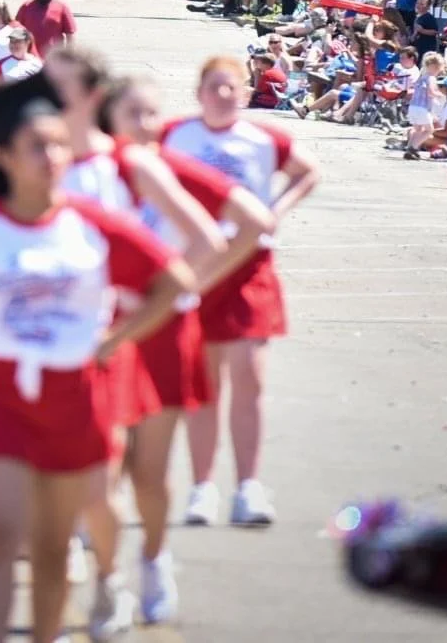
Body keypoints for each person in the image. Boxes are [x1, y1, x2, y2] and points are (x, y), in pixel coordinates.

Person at [0, 74, 194, 643]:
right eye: (37, 145)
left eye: (59, 143)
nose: (53, 156)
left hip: (75, 396)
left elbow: (172, 279)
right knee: (1, 536)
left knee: (53, 551)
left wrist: (112, 341)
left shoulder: (92, 224)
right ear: (3, 155)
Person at [100, 76, 274, 623]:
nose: (148, 125)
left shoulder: (176, 174)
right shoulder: (90, 174)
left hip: (163, 332)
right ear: (110, 119)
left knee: (148, 470)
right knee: (100, 462)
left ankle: (153, 559)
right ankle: (107, 579)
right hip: (98, 334)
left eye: (154, 113)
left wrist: (189, 285)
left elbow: (252, 223)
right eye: (134, 113)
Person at [163, 55, 322, 529]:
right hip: (198, 266)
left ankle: (249, 486)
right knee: (204, 384)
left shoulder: (262, 139)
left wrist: (274, 210)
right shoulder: (175, 135)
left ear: (246, 94)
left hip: (249, 267)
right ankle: (202, 487)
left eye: (231, 87)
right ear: (198, 92)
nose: (222, 95)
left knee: (249, 378)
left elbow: (308, 172)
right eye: (213, 86)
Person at [13, 0, 77, 58]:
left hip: (54, 59)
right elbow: (16, 31)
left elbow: (70, 34)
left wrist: (69, 56)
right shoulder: (26, 7)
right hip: (29, 58)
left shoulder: (62, 7)